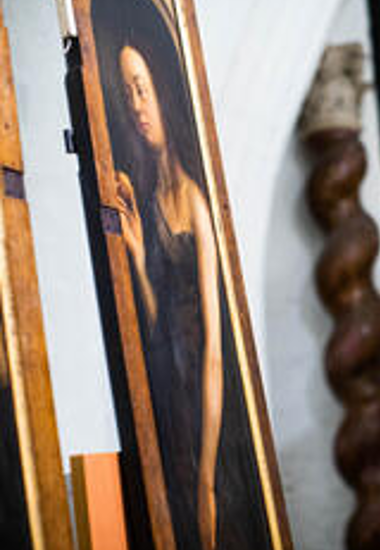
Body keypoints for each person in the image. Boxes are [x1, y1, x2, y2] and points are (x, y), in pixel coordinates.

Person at [104, 27, 269, 550]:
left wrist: (206, 475)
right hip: (173, 395)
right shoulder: (152, 199)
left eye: (142, 88)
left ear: (162, 91)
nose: (136, 105)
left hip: (209, 407)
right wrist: (136, 255)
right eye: (127, 93)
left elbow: (215, 349)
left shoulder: (196, 201)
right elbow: (157, 325)